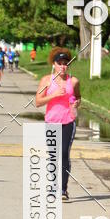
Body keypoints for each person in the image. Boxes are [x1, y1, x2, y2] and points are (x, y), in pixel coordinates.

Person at [34, 48, 81, 200]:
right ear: (53, 64)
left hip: (68, 121)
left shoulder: (73, 81)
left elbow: (78, 97)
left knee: (64, 153)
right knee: (54, 155)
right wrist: (53, 95)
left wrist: (76, 103)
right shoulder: (46, 81)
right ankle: (53, 187)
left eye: (65, 63)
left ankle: (63, 190)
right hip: (51, 121)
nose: (62, 66)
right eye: (59, 63)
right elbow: (38, 102)